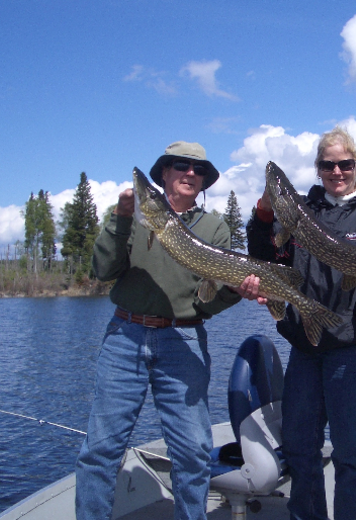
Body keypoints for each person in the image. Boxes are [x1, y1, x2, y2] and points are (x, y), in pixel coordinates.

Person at [75, 141, 247, 520]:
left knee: (193, 451)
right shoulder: (132, 219)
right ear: (165, 173)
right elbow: (103, 271)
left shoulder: (214, 229)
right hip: (125, 336)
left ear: (204, 182)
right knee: (100, 450)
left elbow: (207, 302)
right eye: (181, 166)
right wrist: (121, 218)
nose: (190, 173)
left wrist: (236, 290)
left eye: (198, 170)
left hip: (183, 339)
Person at [239, 127, 356, 520]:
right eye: (328, 165)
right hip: (306, 348)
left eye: (345, 164)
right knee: (300, 448)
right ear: (318, 168)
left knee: (351, 453)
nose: (337, 171)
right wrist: (262, 217)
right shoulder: (301, 213)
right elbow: (267, 257)